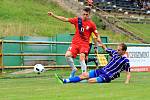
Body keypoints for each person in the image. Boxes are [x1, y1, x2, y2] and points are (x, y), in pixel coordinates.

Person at [48, 6, 102, 78]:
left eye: (87, 14)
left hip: (84, 44)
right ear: (82, 13)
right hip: (75, 43)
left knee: (82, 57)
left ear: (89, 14)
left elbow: (97, 34)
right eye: (84, 14)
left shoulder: (92, 24)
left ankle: (84, 75)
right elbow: (65, 19)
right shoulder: (77, 20)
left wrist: (98, 38)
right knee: (67, 55)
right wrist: (53, 15)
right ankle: (74, 69)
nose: (85, 16)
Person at [55, 43, 131, 84]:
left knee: (90, 80)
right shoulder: (114, 53)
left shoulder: (125, 61)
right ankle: (65, 81)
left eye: (119, 50)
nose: (117, 51)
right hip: (102, 70)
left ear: (124, 51)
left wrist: (126, 82)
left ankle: (76, 80)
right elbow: (106, 49)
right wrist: (101, 44)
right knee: (84, 75)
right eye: (117, 49)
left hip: (108, 76)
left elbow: (128, 73)